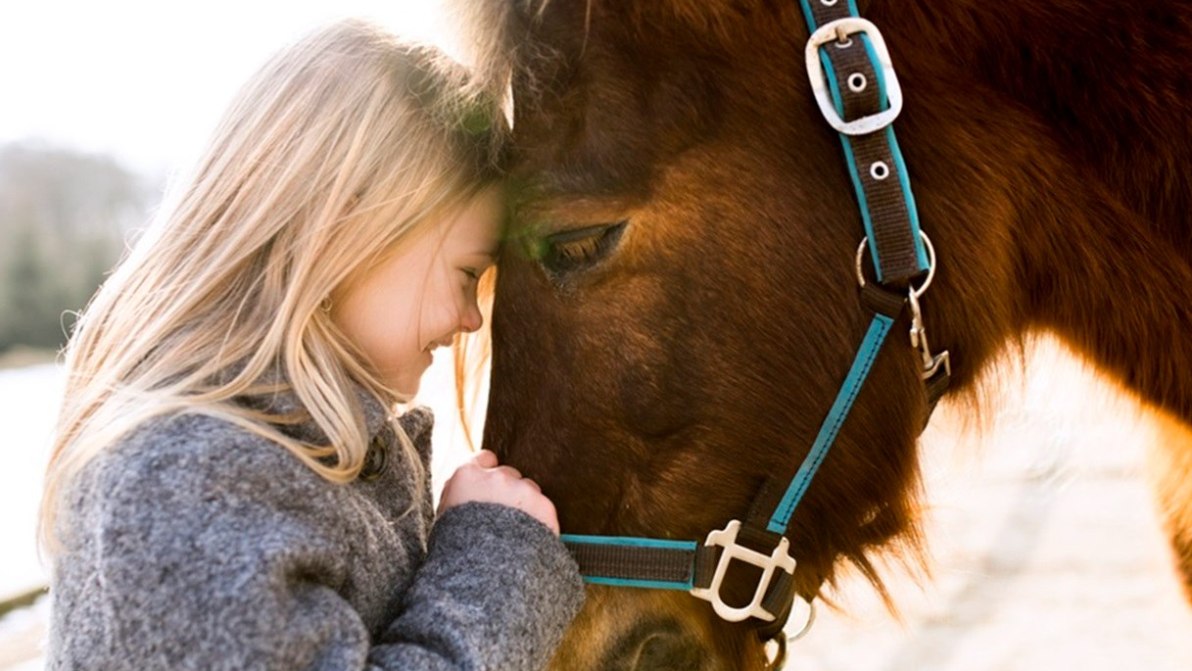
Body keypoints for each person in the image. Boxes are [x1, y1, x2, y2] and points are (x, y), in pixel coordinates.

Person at [39, 18, 583, 670]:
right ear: (346, 227)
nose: (471, 319)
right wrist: (497, 559)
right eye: (466, 273)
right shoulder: (186, 479)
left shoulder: (294, 456)